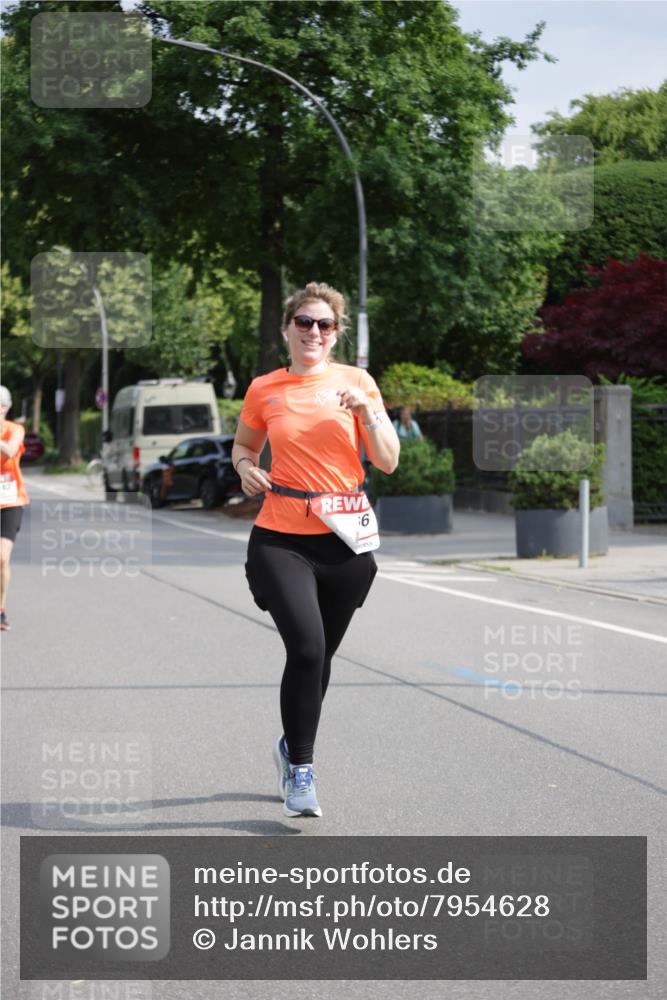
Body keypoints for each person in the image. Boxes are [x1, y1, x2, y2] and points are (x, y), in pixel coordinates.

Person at [232, 282, 400, 818]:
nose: (314, 332)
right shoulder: (265, 388)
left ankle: (288, 745)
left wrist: (368, 411)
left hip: (346, 540)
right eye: (304, 322)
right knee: (305, 649)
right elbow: (243, 446)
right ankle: (301, 768)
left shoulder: (357, 382)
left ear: (336, 333)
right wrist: (245, 469)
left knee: (320, 657)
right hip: (280, 535)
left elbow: (389, 460)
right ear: (287, 328)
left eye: (325, 325)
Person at [0, 386, 30, 631]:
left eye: (1, 405)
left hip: (11, 502)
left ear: (7, 407)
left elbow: (10, 451)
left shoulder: (15, 430)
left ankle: (0, 609)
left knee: (2, 558)